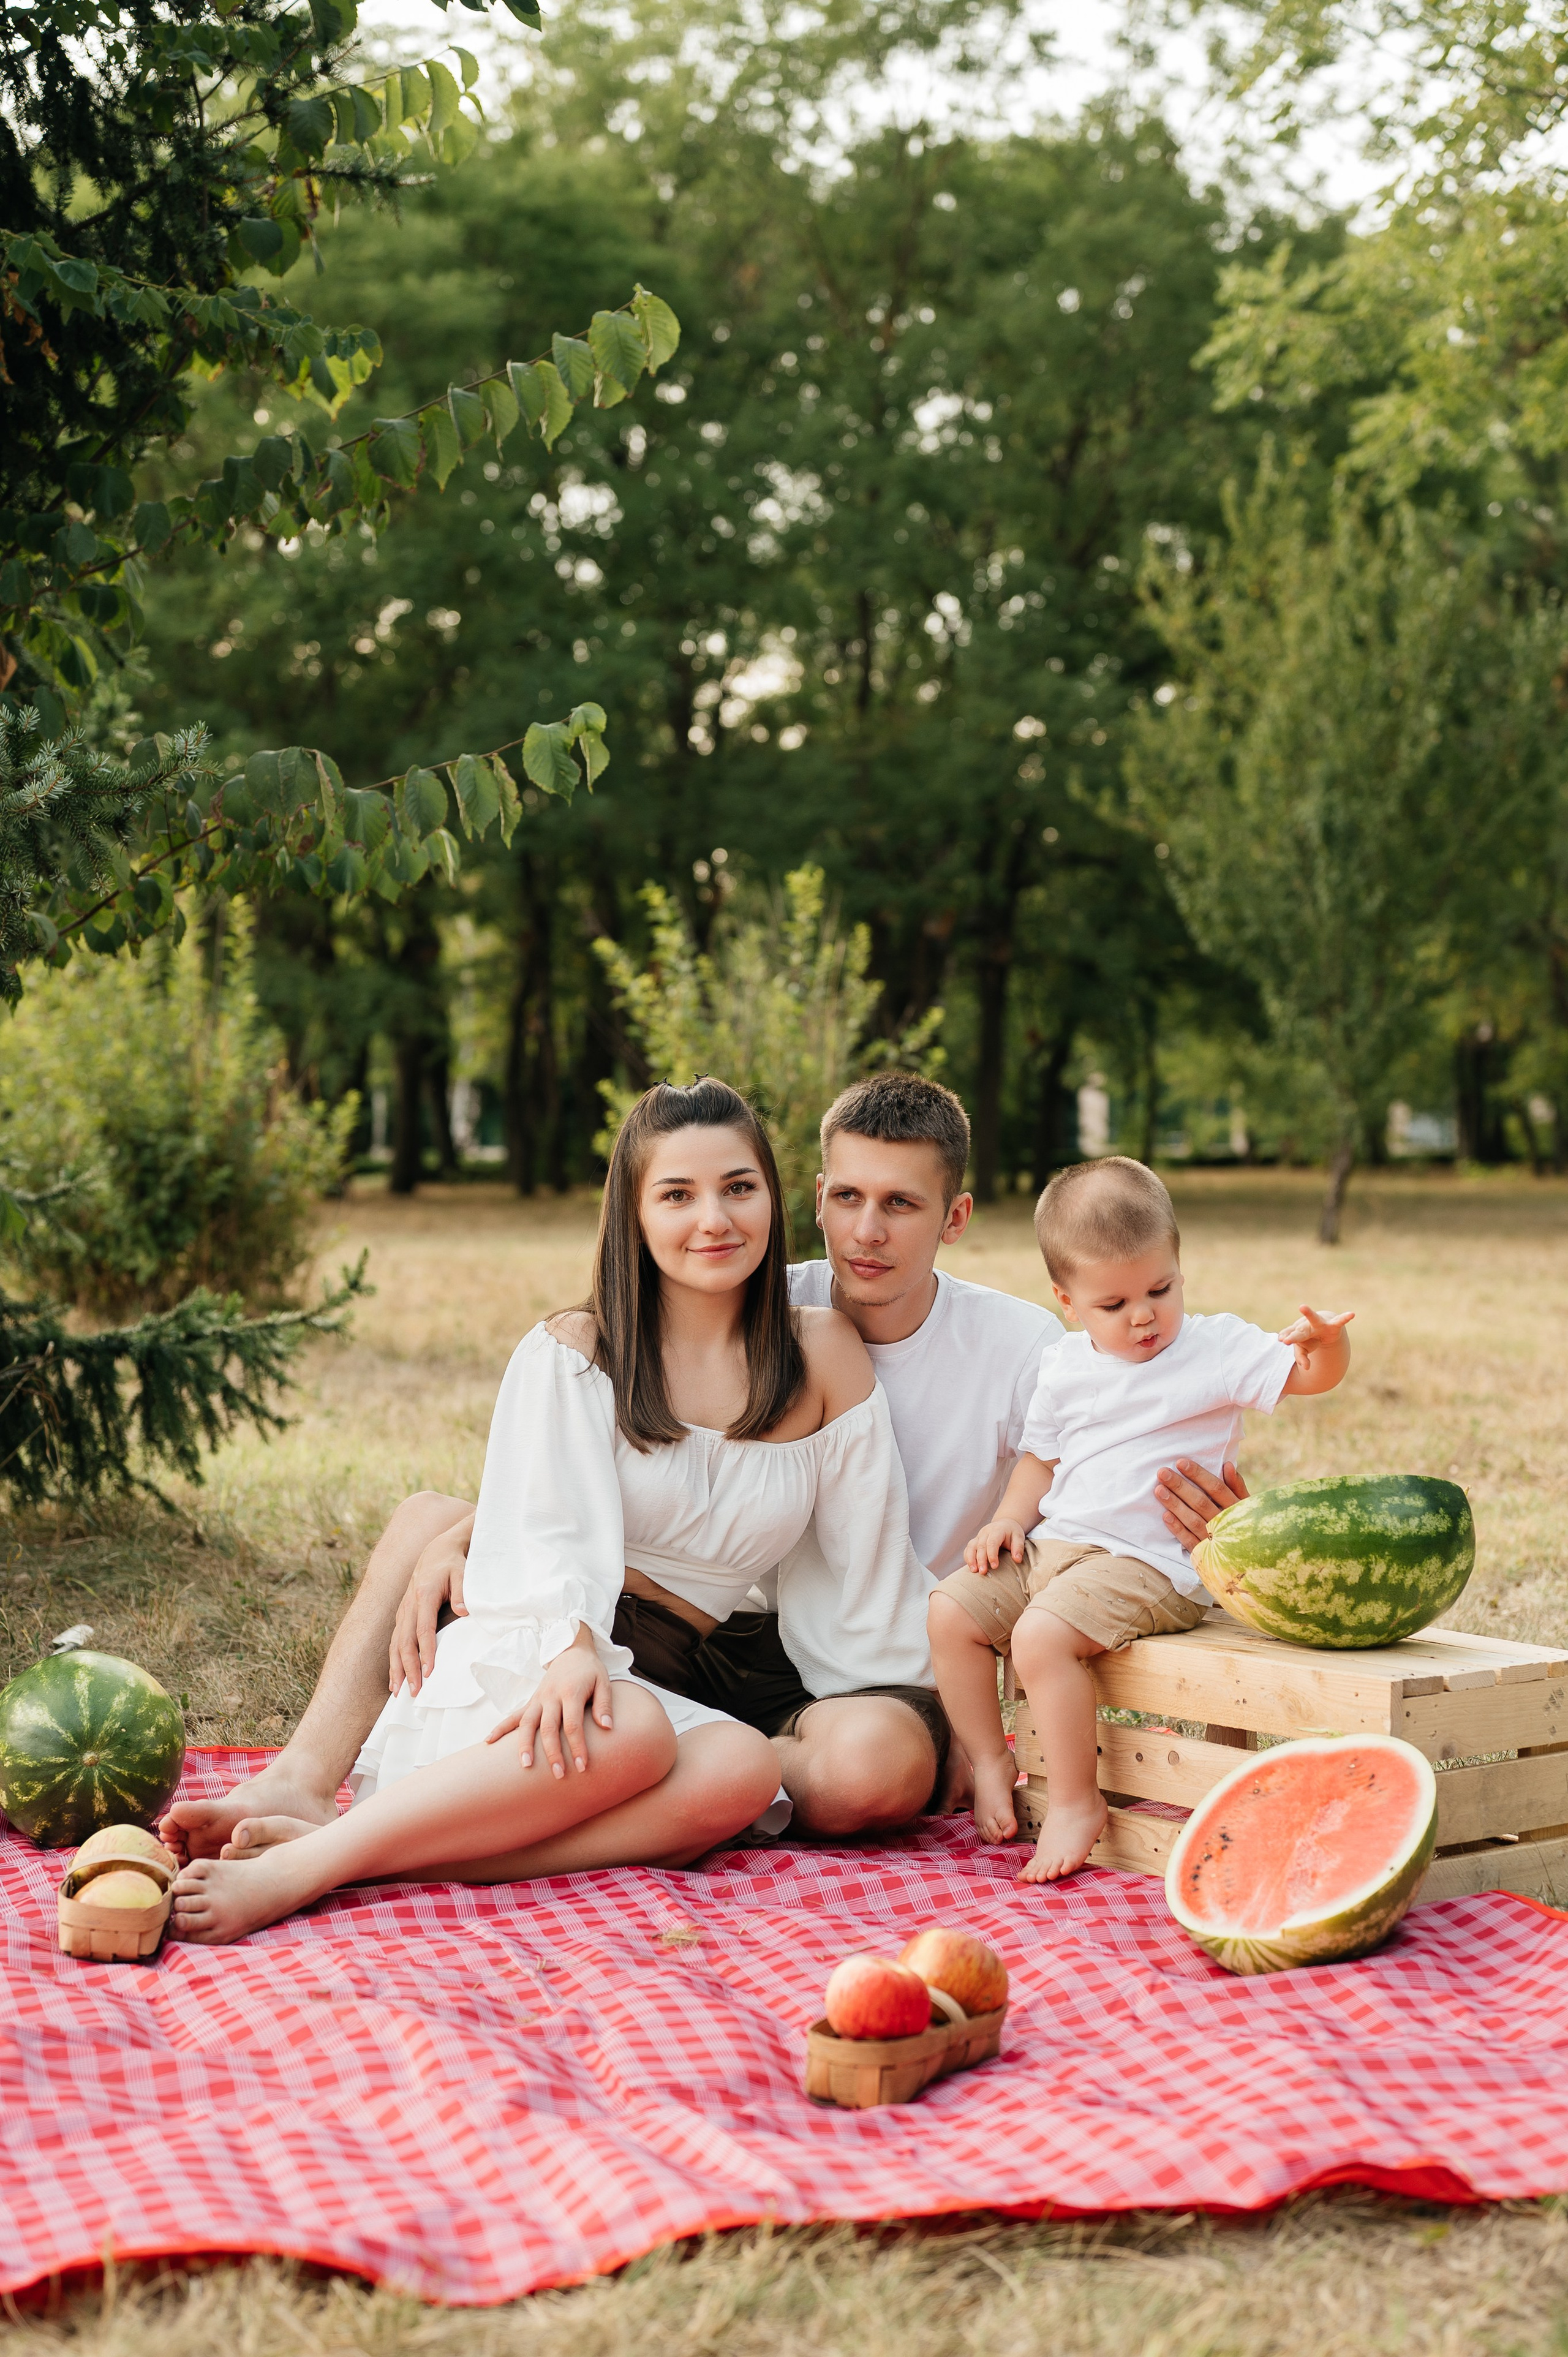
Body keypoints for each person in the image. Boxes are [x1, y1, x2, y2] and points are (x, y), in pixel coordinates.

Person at [164, 1079, 931, 1941]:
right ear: (633, 1216)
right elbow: (548, 1529)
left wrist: (949, 1715)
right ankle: (305, 1864)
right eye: (677, 1195)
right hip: (532, 1661)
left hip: (660, 1684)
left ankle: (351, 1852)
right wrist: (570, 1646)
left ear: (772, 1197)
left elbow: (866, 1559)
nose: (714, 1218)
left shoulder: (821, 1350)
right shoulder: (577, 1349)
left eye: (738, 1187)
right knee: (630, 1724)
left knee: (744, 1770)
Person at [929, 1155, 1354, 1885]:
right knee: (947, 1612)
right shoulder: (1064, 1366)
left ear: (1180, 1269)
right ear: (1068, 1300)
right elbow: (1039, 1460)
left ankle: (1073, 1800)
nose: (1143, 1315)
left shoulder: (1214, 1348)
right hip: (1057, 1546)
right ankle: (989, 1758)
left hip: (1150, 1562)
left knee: (1038, 1636)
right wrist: (1005, 1520)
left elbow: (1309, 1375)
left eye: (1160, 1288)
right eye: (1113, 1303)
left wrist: (1330, 1344)